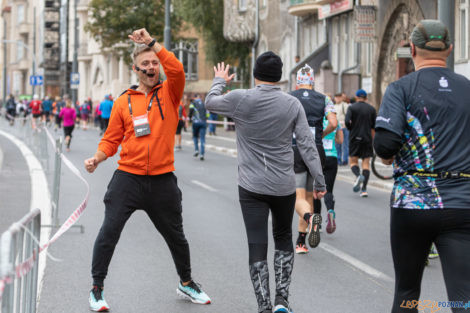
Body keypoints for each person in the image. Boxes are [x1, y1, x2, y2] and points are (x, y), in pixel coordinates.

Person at [83, 28, 211, 312]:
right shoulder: (123, 101)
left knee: (176, 236)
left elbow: (176, 69)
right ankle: (96, 289)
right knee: (109, 232)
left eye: (155, 63)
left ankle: (186, 282)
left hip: (162, 181)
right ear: (136, 69)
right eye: (146, 64)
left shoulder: (170, 92)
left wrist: (152, 43)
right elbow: (111, 139)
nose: (152, 68)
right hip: (128, 178)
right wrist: (97, 158)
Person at [206, 53, 326, 313]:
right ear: (281, 76)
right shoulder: (292, 104)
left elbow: (209, 103)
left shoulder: (241, 98)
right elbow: (306, 144)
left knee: (256, 242)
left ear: (255, 74)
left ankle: (263, 306)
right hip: (283, 185)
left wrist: (219, 81)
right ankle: (282, 300)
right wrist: (319, 179)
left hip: (251, 187)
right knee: (283, 237)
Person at [374, 20, 470, 313]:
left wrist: (391, 154)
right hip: (462, 202)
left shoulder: (401, 88)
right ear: (450, 49)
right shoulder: (467, 89)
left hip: (412, 203)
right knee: (463, 297)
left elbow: (385, 148)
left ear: (412, 48)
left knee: (407, 292)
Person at [289, 64, 337, 254]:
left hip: (296, 149)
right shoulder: (324, 98)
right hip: (316, 149)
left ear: (298, 81)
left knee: (298, 197)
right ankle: (302, 241)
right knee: (309, 196)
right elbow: (333, 122)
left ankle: (308, 222)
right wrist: (322, 134)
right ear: (312, 81)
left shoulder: (290, 97)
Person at [345, 89, 376, 197]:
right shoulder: (371, 109)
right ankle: (364, 190)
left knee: (353, 161)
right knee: (366, 164)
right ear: (366, 98)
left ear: (357, 97)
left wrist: (350, 128)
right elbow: (374, 126)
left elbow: (346, 121)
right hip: (367, 138)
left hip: (355, 137)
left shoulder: (352, 107)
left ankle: (358, 175)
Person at [322, 116, 343, 235]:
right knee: (328, 190)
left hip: (318, 157)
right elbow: (340, 140)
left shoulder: (316, 119)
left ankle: (316, 223)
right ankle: (330, 210)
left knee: (316, 191)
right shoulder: (335, 122)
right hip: (332, 158)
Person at [189, 94, 207, 160]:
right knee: (202, 138)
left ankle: (196, 150)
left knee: (195, 136)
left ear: (195, 97)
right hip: (203, 122)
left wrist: (190, 118)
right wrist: (205, 118)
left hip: (195, 123)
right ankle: (202, 154)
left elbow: (191, 110)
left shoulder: (193, 103)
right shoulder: (204, 103)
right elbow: (207, 113)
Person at [334, 93, 349, 165]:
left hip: (344, 127)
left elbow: (348, 116)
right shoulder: (333, 106)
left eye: (339, 97)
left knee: (345, 144)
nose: (337, 99)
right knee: (337, 144)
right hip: (336, 127)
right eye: (336, 97)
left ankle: (345, 160)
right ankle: (338, 160)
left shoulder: (345, 105)